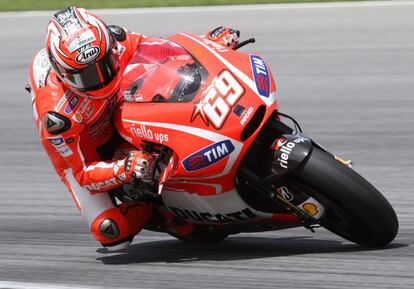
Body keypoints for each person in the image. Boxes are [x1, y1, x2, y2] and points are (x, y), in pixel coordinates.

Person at [28, 6, 240, 251]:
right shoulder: (57, 117)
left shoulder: (116, 40)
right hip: (85, 145)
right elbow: (84, 175)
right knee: (111, 232)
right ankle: (156, 209)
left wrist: (209, 44)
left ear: (108, 46)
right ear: (64, 74)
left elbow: (162, 50)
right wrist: (125, 168)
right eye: (85, 76)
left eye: (105, 64)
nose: (100, 79)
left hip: (119, 106)